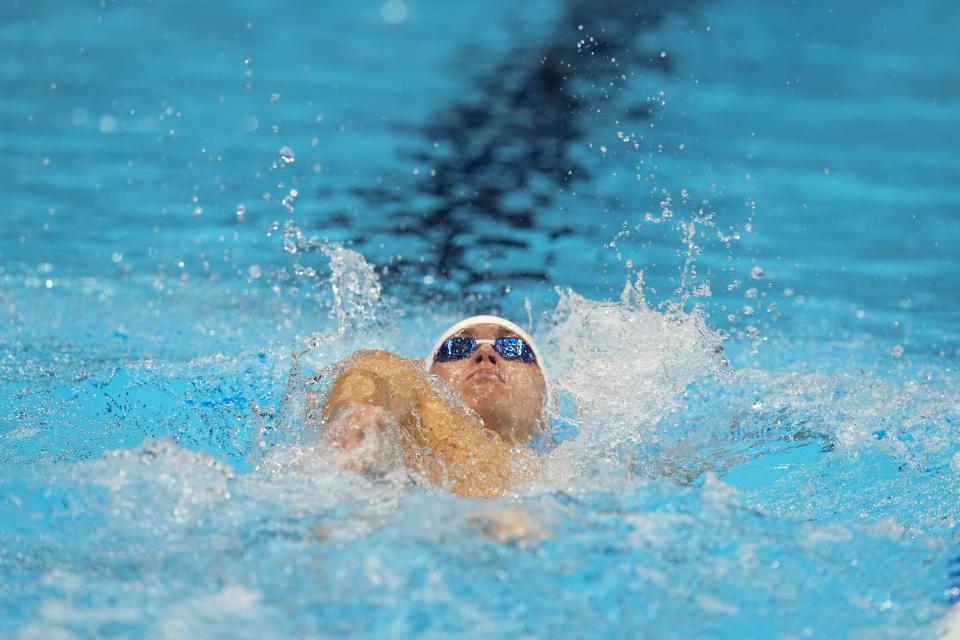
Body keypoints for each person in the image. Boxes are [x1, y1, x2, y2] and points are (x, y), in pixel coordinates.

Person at [319, 315, 548, 497]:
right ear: (424, 373)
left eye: (513, 347)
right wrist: (356, 411)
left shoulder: (563, 475)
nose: (485, 352)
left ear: (547, 397)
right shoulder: (420, 430)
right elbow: (375, 371)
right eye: (457, 347)